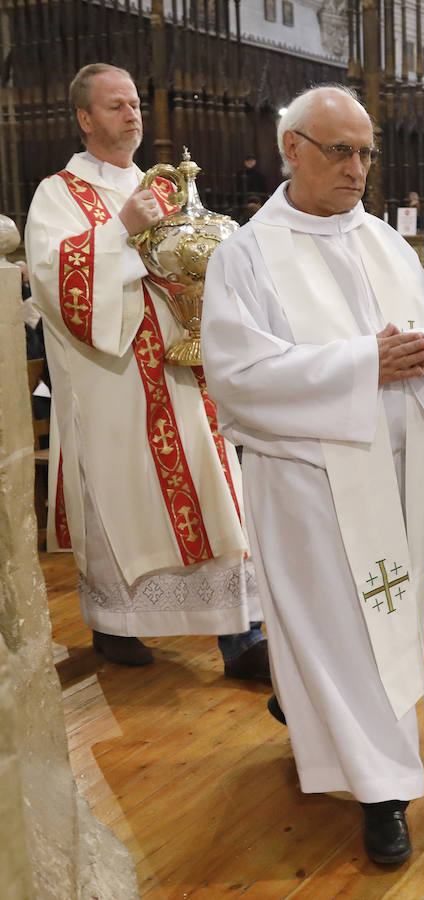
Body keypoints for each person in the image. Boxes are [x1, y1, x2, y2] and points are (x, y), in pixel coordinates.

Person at [201, 84, 424, 864]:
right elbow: (236, 373)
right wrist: (361, 365)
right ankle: (383, 790)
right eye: (340, 151)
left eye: (364, 152)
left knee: (379, 622)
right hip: (309, 477)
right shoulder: (246, 253)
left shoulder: (381, 240)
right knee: (337, 627)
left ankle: (343, 737)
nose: (357, 169)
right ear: (292, 149)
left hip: (398, 470)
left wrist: (422, 356)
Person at [25, 62, 269, 680]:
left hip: (182, 374)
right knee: (122, 500)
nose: (132, 115)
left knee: (218, 495)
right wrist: (122, 231)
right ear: (84, 119)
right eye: (116, 106)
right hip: (113, 385)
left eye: (135, 104)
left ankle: (243, 638)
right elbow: (60, 282)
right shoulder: (60, 193)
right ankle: (117, 623)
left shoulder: (163, 187)